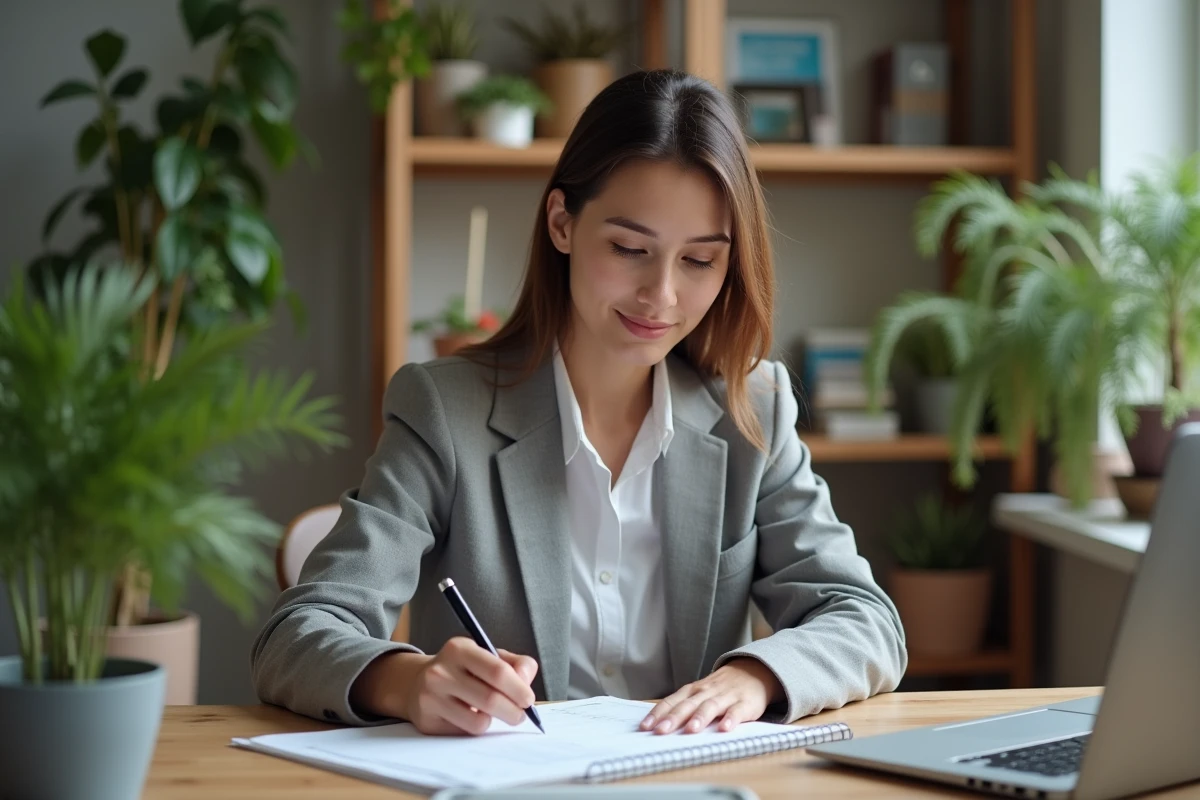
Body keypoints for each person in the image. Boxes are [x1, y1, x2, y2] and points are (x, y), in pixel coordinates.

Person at [251, 69, 906, 737]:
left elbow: (865, 620)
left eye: (699, 261)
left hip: (692, 778)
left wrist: (754, 678)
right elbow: (297, 634)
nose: (661, 296)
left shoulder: (753, 410)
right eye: (629, 248)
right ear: (562, 223)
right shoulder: (446, 411)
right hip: (514, 778)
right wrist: (411, 681)